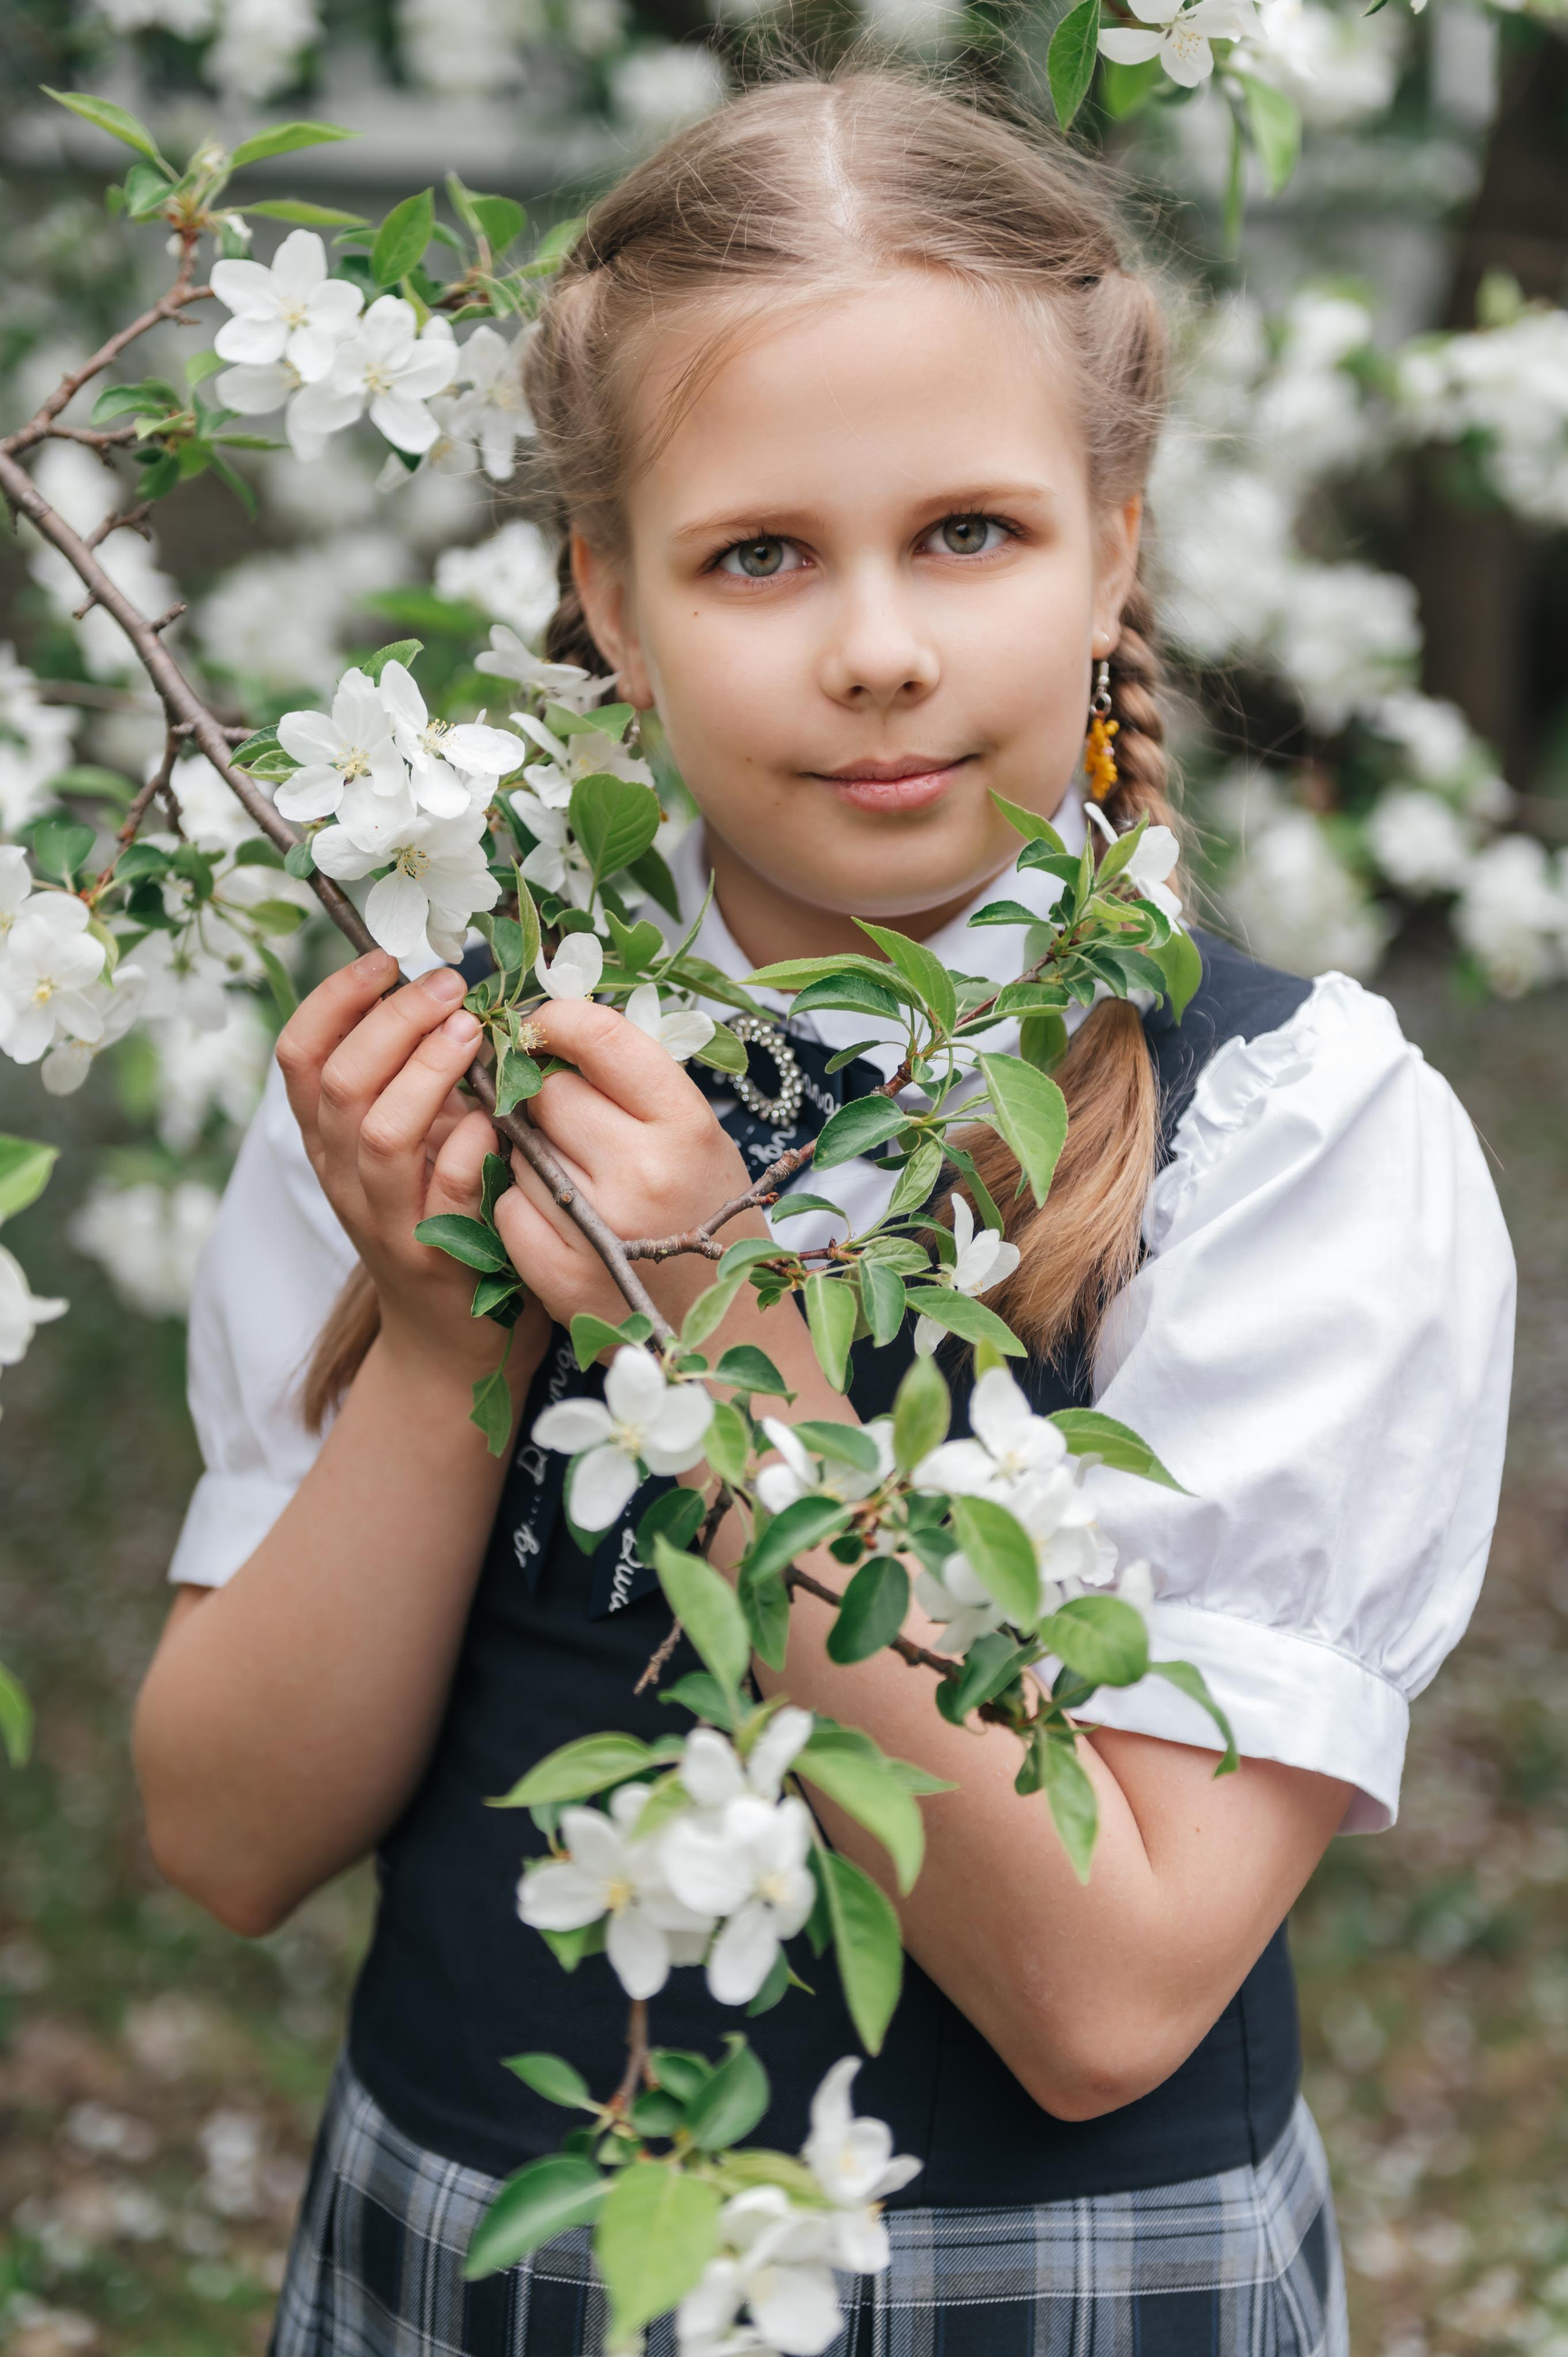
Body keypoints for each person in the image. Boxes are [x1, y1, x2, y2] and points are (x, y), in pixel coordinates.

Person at [132, 70, 1515, 2357]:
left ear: (1117, 548)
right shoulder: (447, 1076)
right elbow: (227, 1840)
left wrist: (716, 1342)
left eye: (968, 531)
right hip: (485, 2275)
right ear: (613, 599)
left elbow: (1109, 1997)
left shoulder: (1287, 1133)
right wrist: (463, 1338)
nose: (877, 646)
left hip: (1065, 2296)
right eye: (758, 553)